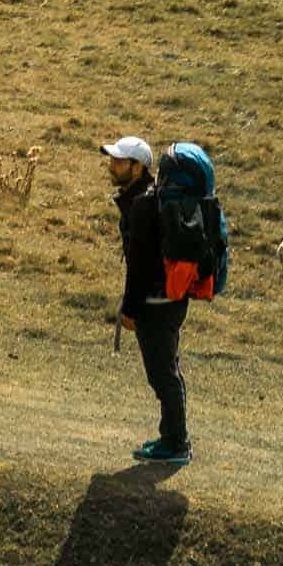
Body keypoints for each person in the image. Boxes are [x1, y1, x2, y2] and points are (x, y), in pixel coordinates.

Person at [102, 133, 191, 467]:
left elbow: (139, 264)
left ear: (138, 167)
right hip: (168, 299)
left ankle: (176, 444)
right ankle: (171, 437)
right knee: (166, 369)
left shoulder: (141, 204)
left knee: (162, 373)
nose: (112, 165)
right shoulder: (147, 199)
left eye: (119, 161)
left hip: (157, 303)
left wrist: (131, 308)